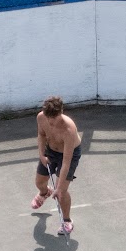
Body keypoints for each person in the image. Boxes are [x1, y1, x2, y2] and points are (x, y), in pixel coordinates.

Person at [33, 96, 83, 235]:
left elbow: (66, 162)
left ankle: (67, 221)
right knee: (39, 182)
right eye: (48, 117)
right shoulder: (41, 118)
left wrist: (59, 188)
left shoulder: (68, 129)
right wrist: (41, 155)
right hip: (50, 150)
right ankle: (45, 192)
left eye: (53, 117)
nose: (50, 121)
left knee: (62, 192)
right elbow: (41, 135)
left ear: (61, 112)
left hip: (68, 155)